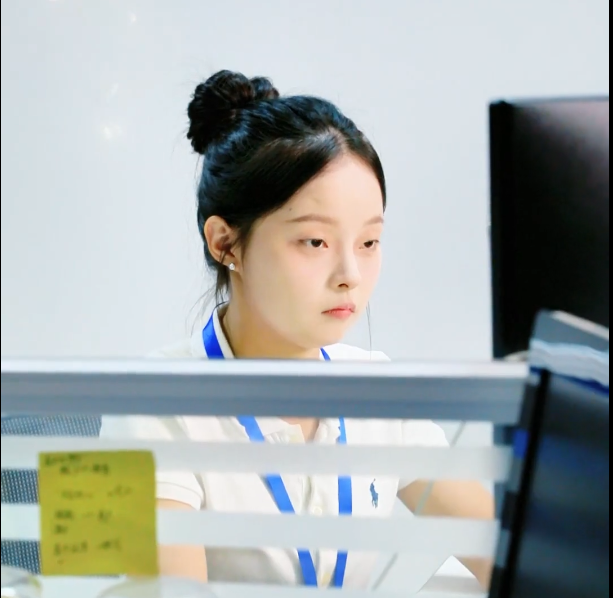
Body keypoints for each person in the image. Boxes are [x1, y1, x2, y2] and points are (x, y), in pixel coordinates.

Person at [100, 70, 494, 589]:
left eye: (369, 243)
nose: (350, 275)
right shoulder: (150, 406)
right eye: (315, 242)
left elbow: (515, 554)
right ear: (225, 243)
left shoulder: (374, 388)